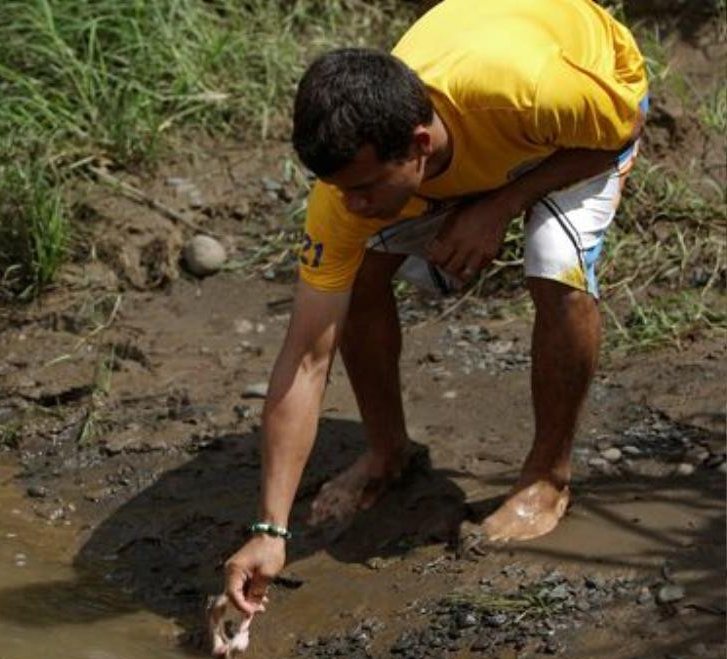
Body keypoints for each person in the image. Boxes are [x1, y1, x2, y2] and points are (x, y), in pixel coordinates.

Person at [223, 0, 648, 616]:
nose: (356, 205)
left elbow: (620, 134)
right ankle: (387, 451)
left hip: (582, 106)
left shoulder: (535, 92)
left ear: (418, 144)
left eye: (366, 187)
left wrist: (499, 205)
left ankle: (546, 479)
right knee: (362, 271)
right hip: (476, 131)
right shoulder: (346, 195)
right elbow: (307, 357)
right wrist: (270, 528)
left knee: (555, 266)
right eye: (343, 189)